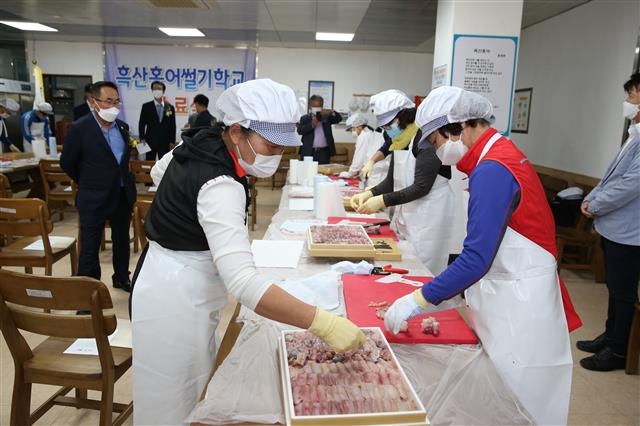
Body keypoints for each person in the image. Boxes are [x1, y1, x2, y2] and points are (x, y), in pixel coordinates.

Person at [130, 78, 365, 425]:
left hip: (165, 274)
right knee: (173, 397)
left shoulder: (204, 138)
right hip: (174, 295)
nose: (278, 156)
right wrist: (322, 322)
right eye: (270, 146)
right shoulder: (221, 184)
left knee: (194, 378)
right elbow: (242, 282)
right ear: (238, 131)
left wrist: (181, 214)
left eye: (283, 148)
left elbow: (161, 170)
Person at [383, 86, 577, 426]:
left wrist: (419, 298)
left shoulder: (492, 169)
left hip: (521, 308)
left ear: (458, 126)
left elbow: (476, 258)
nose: (438, 151)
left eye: (438, 141)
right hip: (515, 290)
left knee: (519, 405)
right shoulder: (498, 155)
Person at [350, 90, 455, 275]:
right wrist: (370, 193)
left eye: (390, 125)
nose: (388, 130)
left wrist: (383, 201)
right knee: (409, 263)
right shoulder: (399, 141)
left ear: (404, 117)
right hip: (412, 210)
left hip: (431, 213)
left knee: (425, 267)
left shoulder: (425, 140)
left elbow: (421, 186)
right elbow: (391, 181)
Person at [577, 73, 640, 371]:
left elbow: (631, 184)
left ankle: (617, 351)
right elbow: (611, 177)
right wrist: (592, 197)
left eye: (631, 95)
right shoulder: (635, 134)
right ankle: (610, 335)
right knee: (615, 290)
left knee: (624, 292)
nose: (626, 101)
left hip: (630, 232)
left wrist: (596, 204)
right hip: (616, 227)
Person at [60, 81, 136, 292]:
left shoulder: (122, 127)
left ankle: (121, 277)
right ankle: (88, 289)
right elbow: (67, 162)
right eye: (108, 101)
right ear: (93, 102)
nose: (114, 106)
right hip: (93, 196)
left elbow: (122, 161)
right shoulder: (79, 128)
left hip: (121, 194)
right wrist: (87, 181)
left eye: (117, 101)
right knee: (90, 245)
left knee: (121, 240)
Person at [360, 89, 417, 180]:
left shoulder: (419, 135)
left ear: (403, 116)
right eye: (384, 127)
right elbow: (386, 148)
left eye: (388, 124)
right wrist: (371, 161)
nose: (386, 129)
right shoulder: (395, 134)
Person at [344, 112, 388, 187]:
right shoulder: (370, 133)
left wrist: (350, 173)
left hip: (375, 174)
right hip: (376, 172)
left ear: (359, 126)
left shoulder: (363, 136)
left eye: (352, 129)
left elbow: (358, 159)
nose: (352, 132)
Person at [297, 95, 341, 164]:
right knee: (307, 172)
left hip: (324, 152)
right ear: (309, 106)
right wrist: (311, 125)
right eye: (314, 106)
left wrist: (331, 111)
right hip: (308, 152)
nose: (317, 108)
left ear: (322, 106)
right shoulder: (304, 118)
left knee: (323, 172)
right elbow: (300, 131)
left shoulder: (327, 117)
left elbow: (339, 119)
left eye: (319, 106)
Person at [138, 81, 176, 160]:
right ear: (152, 90)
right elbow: (141, 123)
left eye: (159, 89)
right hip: (150, 141)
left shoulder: (169, 107)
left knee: (164, 165)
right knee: (149, 164)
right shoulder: (146, 106)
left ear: (163, 91)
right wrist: (142, 138)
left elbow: (172, 125)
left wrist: (172, 141)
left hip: (165, 141)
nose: (157, 91)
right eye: (154, 89)